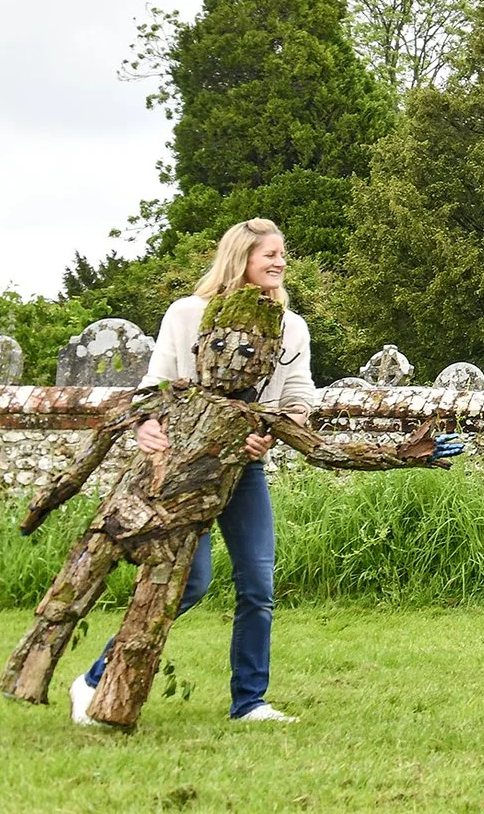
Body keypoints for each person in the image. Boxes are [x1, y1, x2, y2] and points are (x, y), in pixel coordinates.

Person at [68, 219, 312, 725]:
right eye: (269, 254)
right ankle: (93, 680)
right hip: (184, 472)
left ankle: (250, 702)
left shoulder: (290, 325)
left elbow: (298, 400)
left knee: (257, 585)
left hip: (244, 470)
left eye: (282, 254)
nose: (279, 262)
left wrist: (269, 433)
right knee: (191, 582)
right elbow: (154, 387)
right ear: (239, 257)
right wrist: (147, 429)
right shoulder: (187, 313)